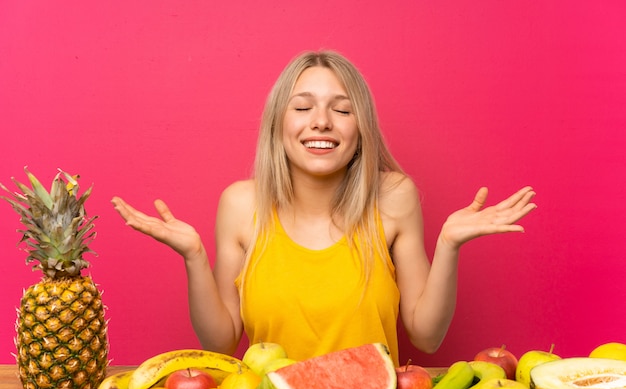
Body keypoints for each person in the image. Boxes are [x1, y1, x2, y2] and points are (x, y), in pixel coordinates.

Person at [111, 50, 536, 366]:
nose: (321, 121)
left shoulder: (393, 197)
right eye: (302, 107)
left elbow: (427, 337)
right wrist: (194, 257)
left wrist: (448, 245)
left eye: (342, 109)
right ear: (279, 125)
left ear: (361, 129)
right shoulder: (240, 204)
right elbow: (220, 343)